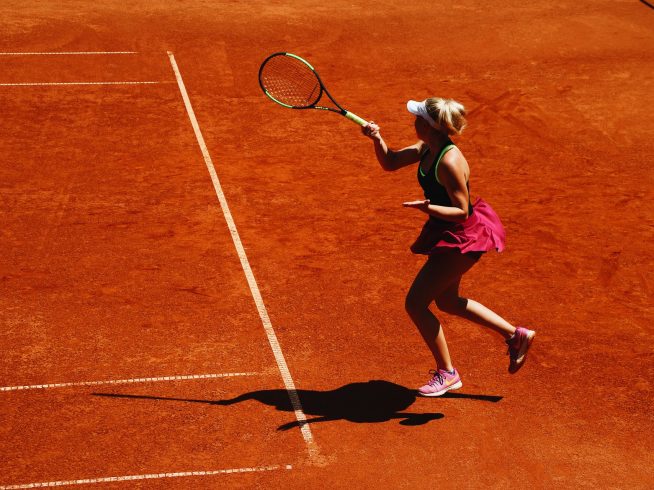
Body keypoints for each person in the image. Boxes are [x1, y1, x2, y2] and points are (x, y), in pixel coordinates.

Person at [361, 97, 535, 397]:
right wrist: (377, 139)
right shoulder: (427, 146)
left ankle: (448, 373)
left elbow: (462, 211)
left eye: (417, 117)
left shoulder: (450, 161)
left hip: (463, 236)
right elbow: (390, 162)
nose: (412, 121)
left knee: (415, 303)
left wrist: (429, 209)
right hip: (449, 231)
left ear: (429, 126)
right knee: (448, 302)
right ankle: (515, 335)